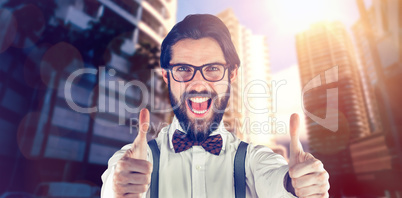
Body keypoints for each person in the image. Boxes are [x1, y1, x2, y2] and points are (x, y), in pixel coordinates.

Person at [101, 14, 329, 198]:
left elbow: (275, 179)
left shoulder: (253, 160)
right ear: (166, 76)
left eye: (212, 69)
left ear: (232, 74)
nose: (198, 84)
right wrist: (118, 188)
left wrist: (295, 184)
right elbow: (112, 183)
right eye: (183, 69)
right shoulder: (136, 160)